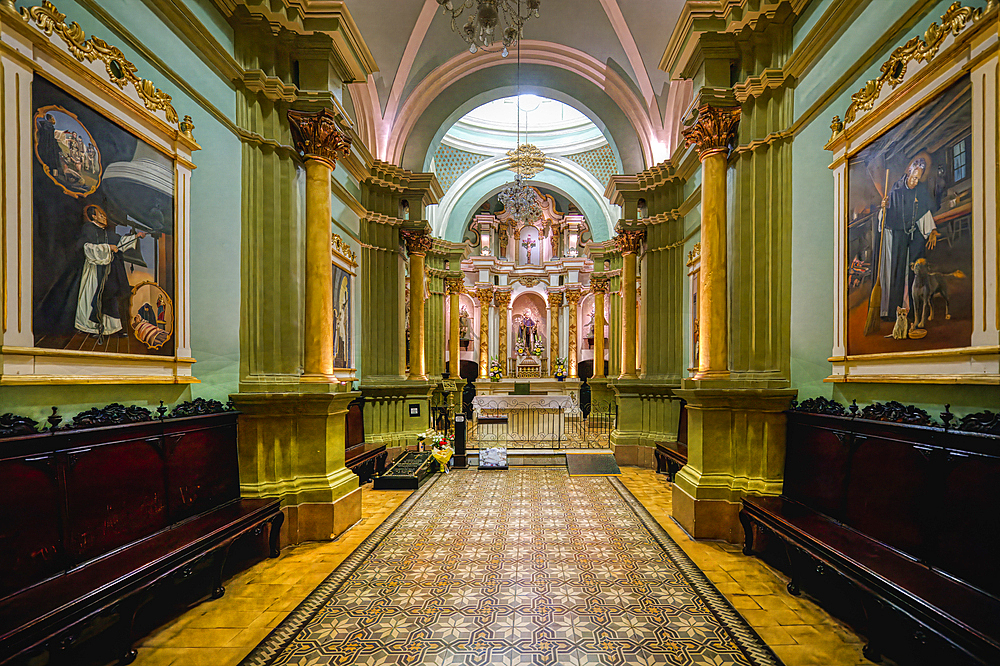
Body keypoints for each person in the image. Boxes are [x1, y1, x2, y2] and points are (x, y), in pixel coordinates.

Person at [877, 153, 940, 320]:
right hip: (898, 234)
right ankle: (894, 311)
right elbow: (886, 217)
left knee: (915, 271)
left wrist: (931, 230)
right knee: (897, 271)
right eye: (914, 177)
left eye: (918, 179)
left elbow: (924, 213)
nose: (915, 181)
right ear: (909, 171)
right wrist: (884, 208)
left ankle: (912, 309)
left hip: (914, 236)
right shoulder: (896, 190)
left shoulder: (920, 190)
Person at [75, 204, 144, 337]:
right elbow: (86, 247)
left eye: (104, 215)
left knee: (109, 297)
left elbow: (121, 243)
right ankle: (93, 328)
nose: (104, 217)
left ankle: (111, 329)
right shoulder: (88, 229)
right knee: (93, 296)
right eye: (100, 215)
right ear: (93, 217)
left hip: (109, 271)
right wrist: (107, 248)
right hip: (94, 271)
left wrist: (137, 236)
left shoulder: (108, 233)